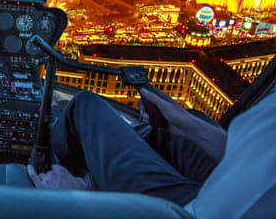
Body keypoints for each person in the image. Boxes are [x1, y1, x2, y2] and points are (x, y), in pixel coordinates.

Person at [27, 88, 276, 218]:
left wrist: (87, 202)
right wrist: (185, 124)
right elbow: (254, 153)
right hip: (232, 185)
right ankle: (104, 173)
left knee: (86, 107)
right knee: (184, 127)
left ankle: (51, 171)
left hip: (194, 210)